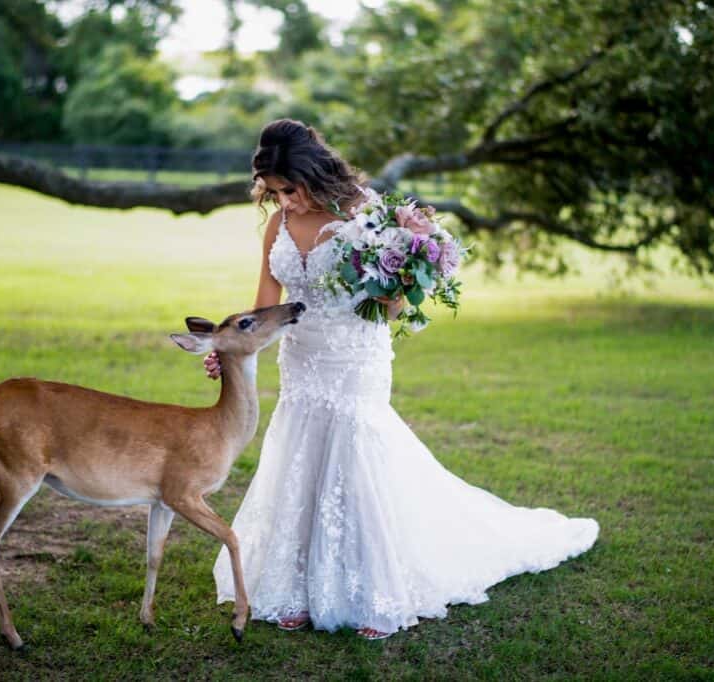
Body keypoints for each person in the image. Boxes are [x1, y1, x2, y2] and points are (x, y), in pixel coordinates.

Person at [204, 118, 599, 640]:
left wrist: (399, 287)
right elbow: (265, 306)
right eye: (274, 193)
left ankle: (372, 592)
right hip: (301, 360)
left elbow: (390, 307)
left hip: (355, 355)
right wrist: (232, 349)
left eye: (290, 190)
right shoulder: (277, 226)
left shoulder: (368, 214)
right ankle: (292, 587)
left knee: (355, 454)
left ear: (313, 175)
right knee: (298, 457)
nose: (285, 202)